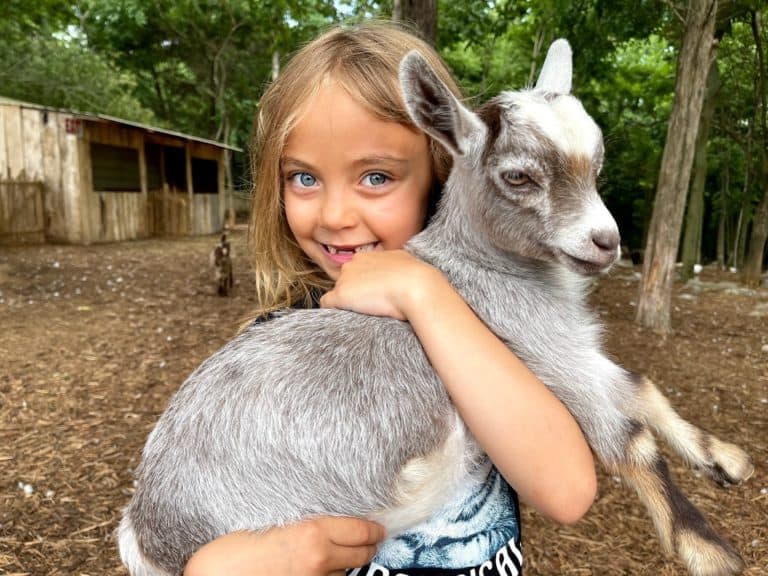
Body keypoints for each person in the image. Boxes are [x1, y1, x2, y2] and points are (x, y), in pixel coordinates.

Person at [184, 21, 596, 576]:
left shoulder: (485, 320)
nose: (334, 215)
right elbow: (218, 516)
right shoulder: (274, 353)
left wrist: (423, 292)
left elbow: (567, 490)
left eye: (376, 177)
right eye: (304, 178)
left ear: (444, 175)